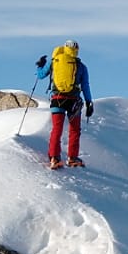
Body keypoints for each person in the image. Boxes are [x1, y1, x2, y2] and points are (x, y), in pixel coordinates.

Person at [38, 40, 95, 169]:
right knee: (74, 130)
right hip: (74, 100)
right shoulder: (81, 66)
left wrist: (40, 65)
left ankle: (54, 158)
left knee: (57, 129)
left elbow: (41, 75)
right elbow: (85, 86)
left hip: (57, 98)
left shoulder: (54, 61)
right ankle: (72, 158)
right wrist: (89, 102)